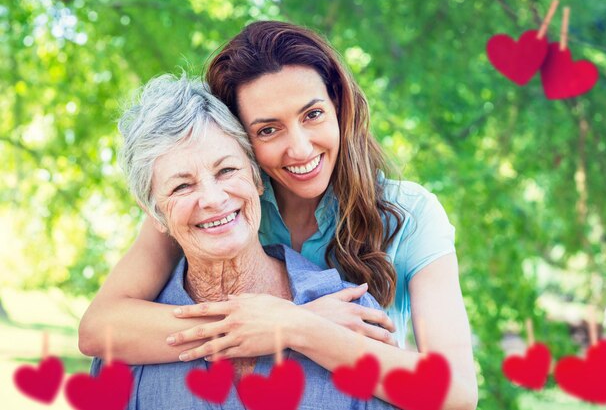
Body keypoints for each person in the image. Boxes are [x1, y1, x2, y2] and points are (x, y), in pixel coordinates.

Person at [79, 21, 477, 409]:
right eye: (268, 130)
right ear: (242, 140)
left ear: (337, 105)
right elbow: (101, 328)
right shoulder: (223, 205)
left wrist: (295, 326)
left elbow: (456, 392)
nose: (301, 149)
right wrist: (258, 328)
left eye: (313, 115)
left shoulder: (411, 214)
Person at [92, 73, 396, 409]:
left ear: (256, 178)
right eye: (182, 186)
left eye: (226, 171)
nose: (212, 198)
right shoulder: (122, 348)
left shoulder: (350, 315)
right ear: (155, 212)